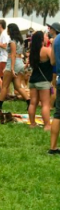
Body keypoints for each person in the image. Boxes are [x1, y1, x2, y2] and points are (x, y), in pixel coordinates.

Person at [0, 23, 29, 110]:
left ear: (11, 30)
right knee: (18, 86)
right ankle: (29, 101)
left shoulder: (12, 41)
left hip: (12, 63)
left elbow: (13, 55)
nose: (7, 31)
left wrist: (12, 68)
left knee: (5, 85)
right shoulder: (20, 41)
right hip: (20, 63)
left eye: (8, 29)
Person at [28, 31, 54, 130]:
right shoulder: (46, 50)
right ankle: (47, 125)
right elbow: (54, 61)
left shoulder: (32, 52)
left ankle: (32, 123)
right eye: (45, 36)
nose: (47, 37)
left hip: (33, 80)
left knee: (33, 103)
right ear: (41, 40)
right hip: (43, 81)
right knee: (45, 104)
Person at [48, 22, 60, 154]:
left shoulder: (55, 41)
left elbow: (52, 62)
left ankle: (53, 147)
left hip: (59, 78)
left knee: (58, 114)